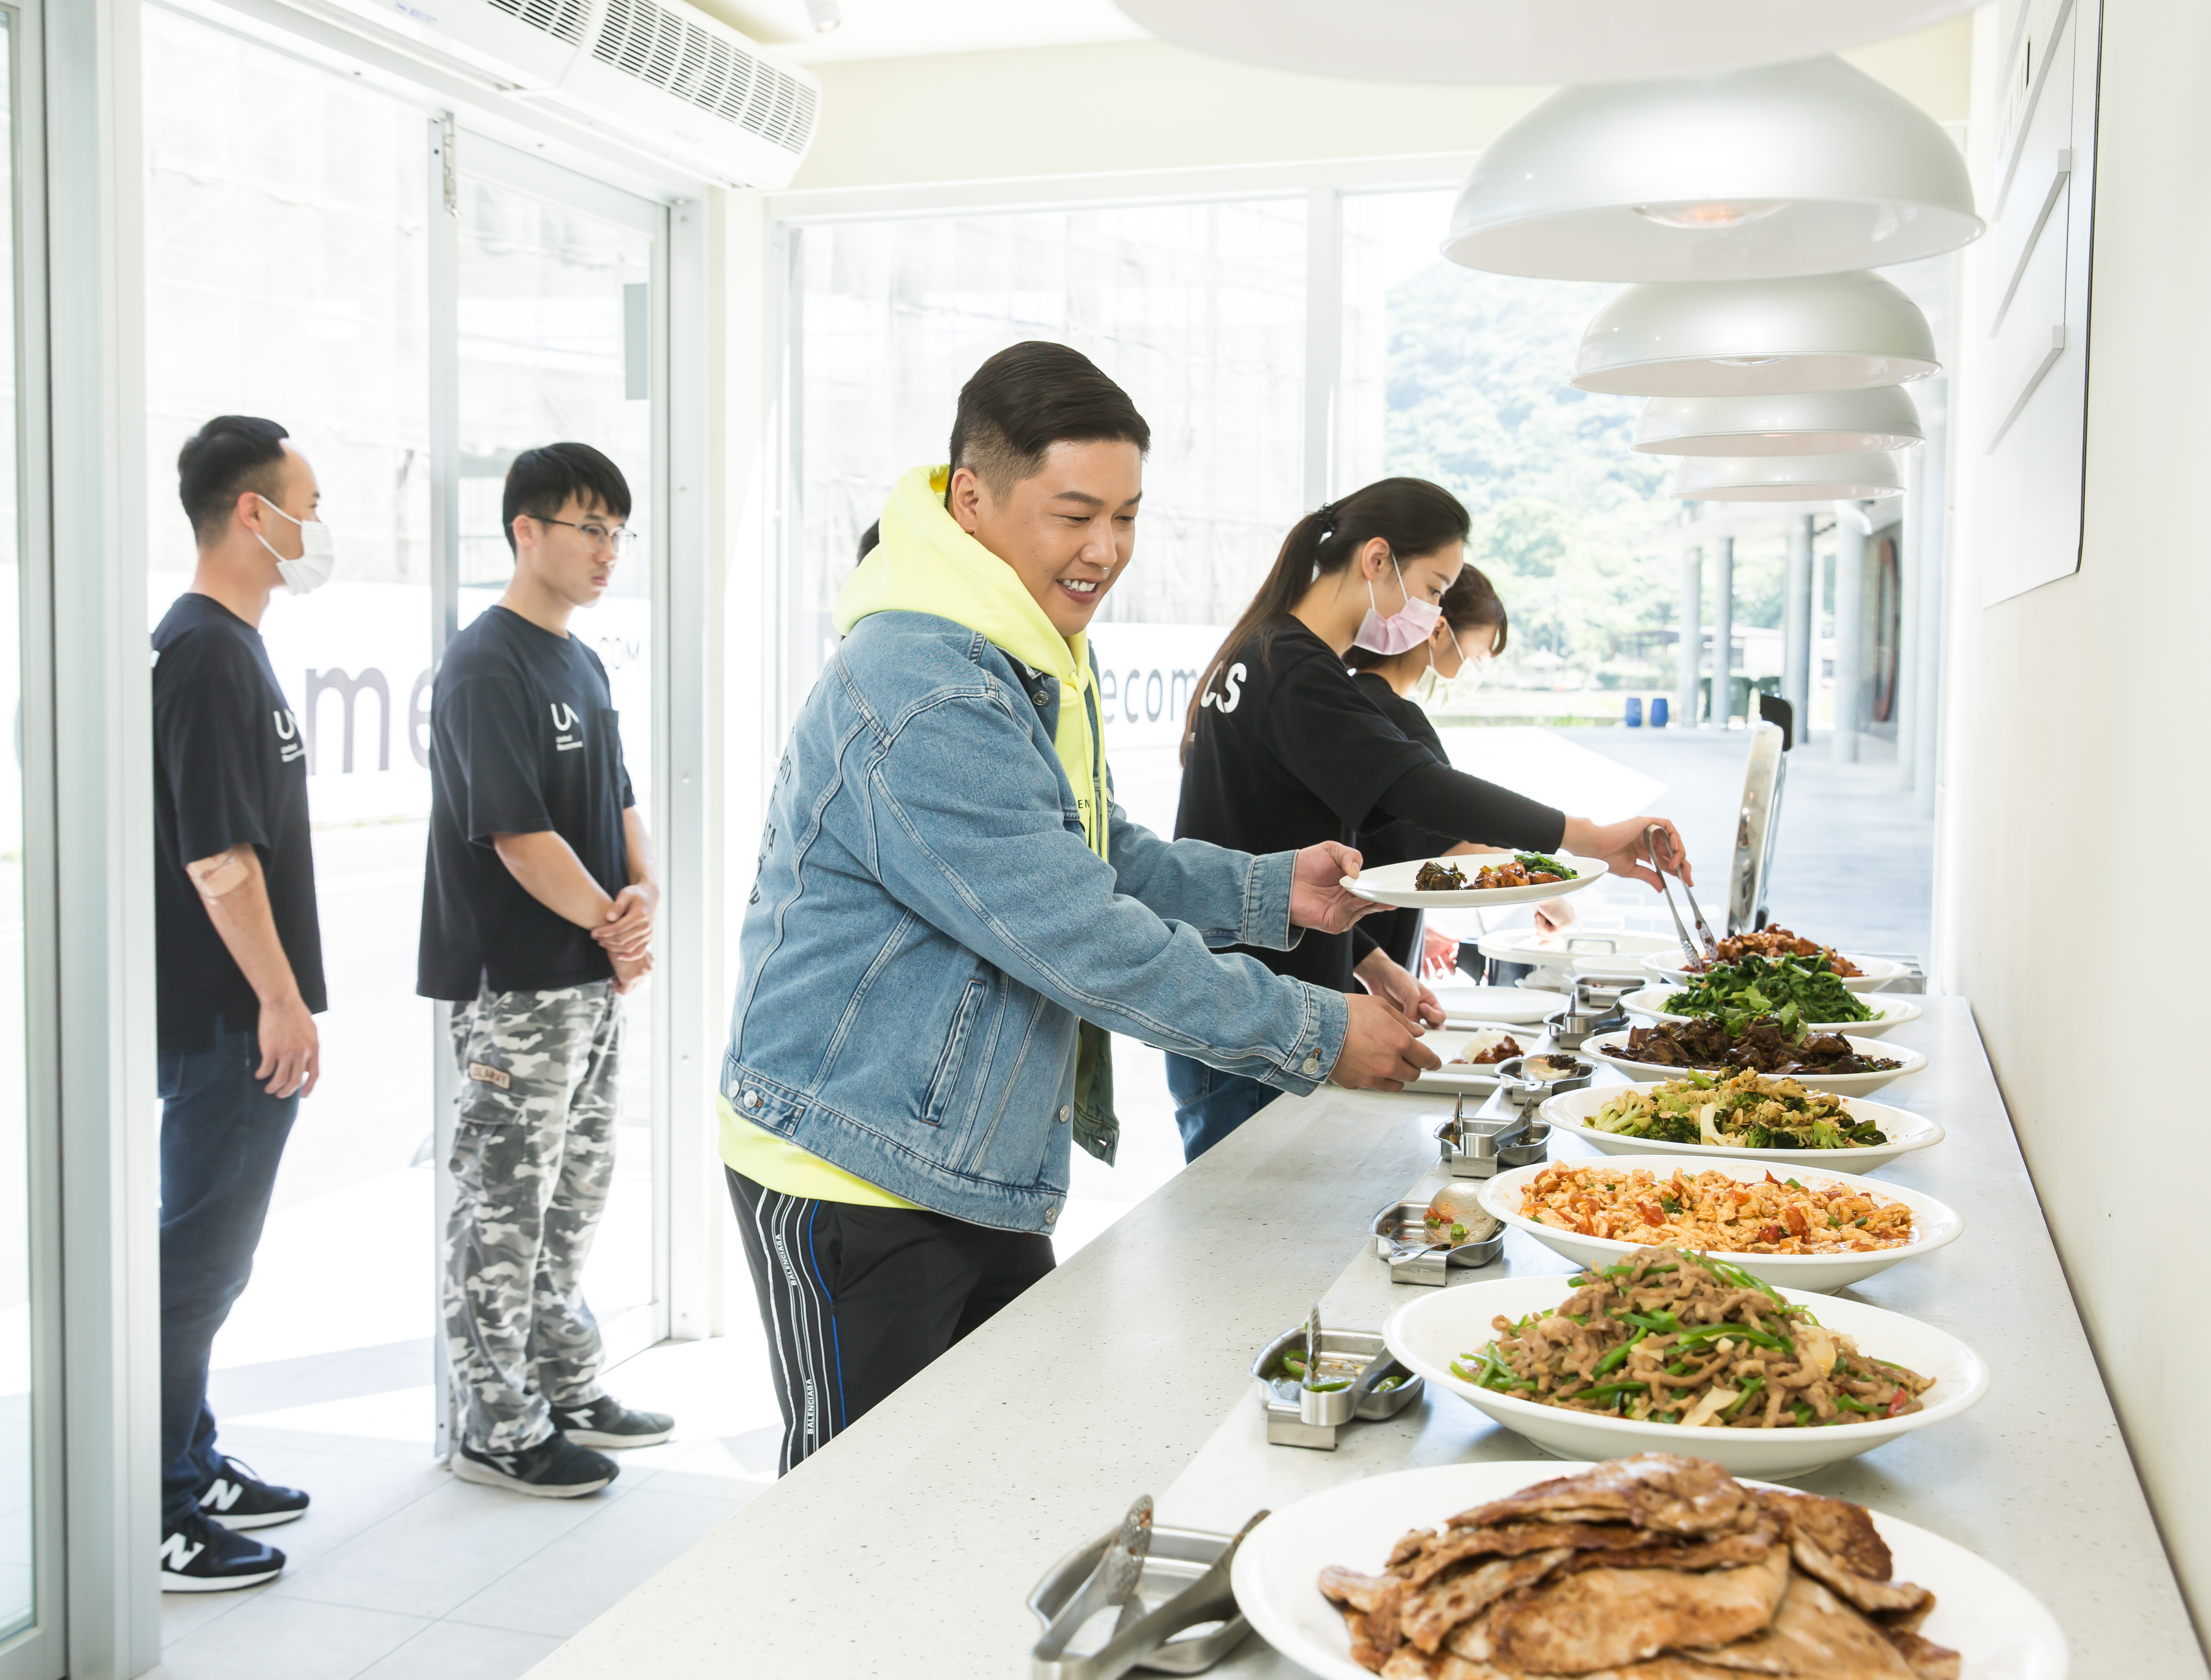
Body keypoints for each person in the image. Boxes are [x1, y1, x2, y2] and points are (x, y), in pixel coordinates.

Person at [719, 342, 1433, 1475]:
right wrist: (1315, 1030)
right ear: (971, 497)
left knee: (979, 1477)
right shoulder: (927, 680)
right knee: (851, 1507)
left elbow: (1089, 851)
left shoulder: (1012, 641)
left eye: (1127, 515)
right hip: (853, 1159)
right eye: (1071, 513)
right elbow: (1080, 935)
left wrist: (1267, 890)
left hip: (966, 1151)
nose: (1104, 549)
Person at [1169, 478, 1692, 1161]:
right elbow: (1421, 788)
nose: (1435, 611)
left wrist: (1371, 961)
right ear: (1378, 560)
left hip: (1251, 1008)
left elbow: (1262, 847)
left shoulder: (1263, 656)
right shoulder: (1295, 670)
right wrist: (1586, 837)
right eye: (1436, 587)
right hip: (1259, 1023)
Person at [419, 442, 674, 1500]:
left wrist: (642, 893)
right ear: (526, 531)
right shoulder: (488, 664)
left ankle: (563, 1379)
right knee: (503, 1205)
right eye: (588, 528)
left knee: (574, 1190)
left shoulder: (581, 658)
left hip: (585, 975)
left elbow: (617, 802)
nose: (607, 550)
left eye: (617, 531)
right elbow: (517, 837)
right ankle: (495, 1421)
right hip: (514, 984)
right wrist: (613, 928)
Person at [151, 415, 331, 1591]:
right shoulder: (207, 652)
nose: (320, 528)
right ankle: (157, 1504)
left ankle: (192, 1456)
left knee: (216, 1261)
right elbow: (221, 862)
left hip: (241, 1016)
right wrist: (278, 998)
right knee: (196, 1266)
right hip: (230, 1021)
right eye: (308, 504)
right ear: (254, 514)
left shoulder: (232, 646)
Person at [1347, 563, 1510, 977]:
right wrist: (1551, 889)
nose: (1469, 672)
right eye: (1475, 656)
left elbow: (1392, 845)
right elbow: (1459, 856)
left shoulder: (1351, 700)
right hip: (1363, 970)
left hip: (1356, 946)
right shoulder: (1397, 719)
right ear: (1437, 630)